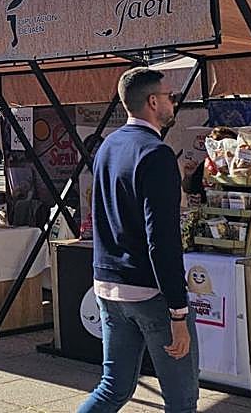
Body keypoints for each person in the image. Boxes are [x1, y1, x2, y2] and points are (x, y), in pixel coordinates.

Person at [77, 67, 197, 413]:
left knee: (112, 388)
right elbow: (162, 238)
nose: (173, 101)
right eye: (170, 96)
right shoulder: (156, 153)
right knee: (181, 400)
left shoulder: (108, 146)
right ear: (153, 101)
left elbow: (101, 216)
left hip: (109, 285)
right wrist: (178, 311)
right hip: (149, 291)